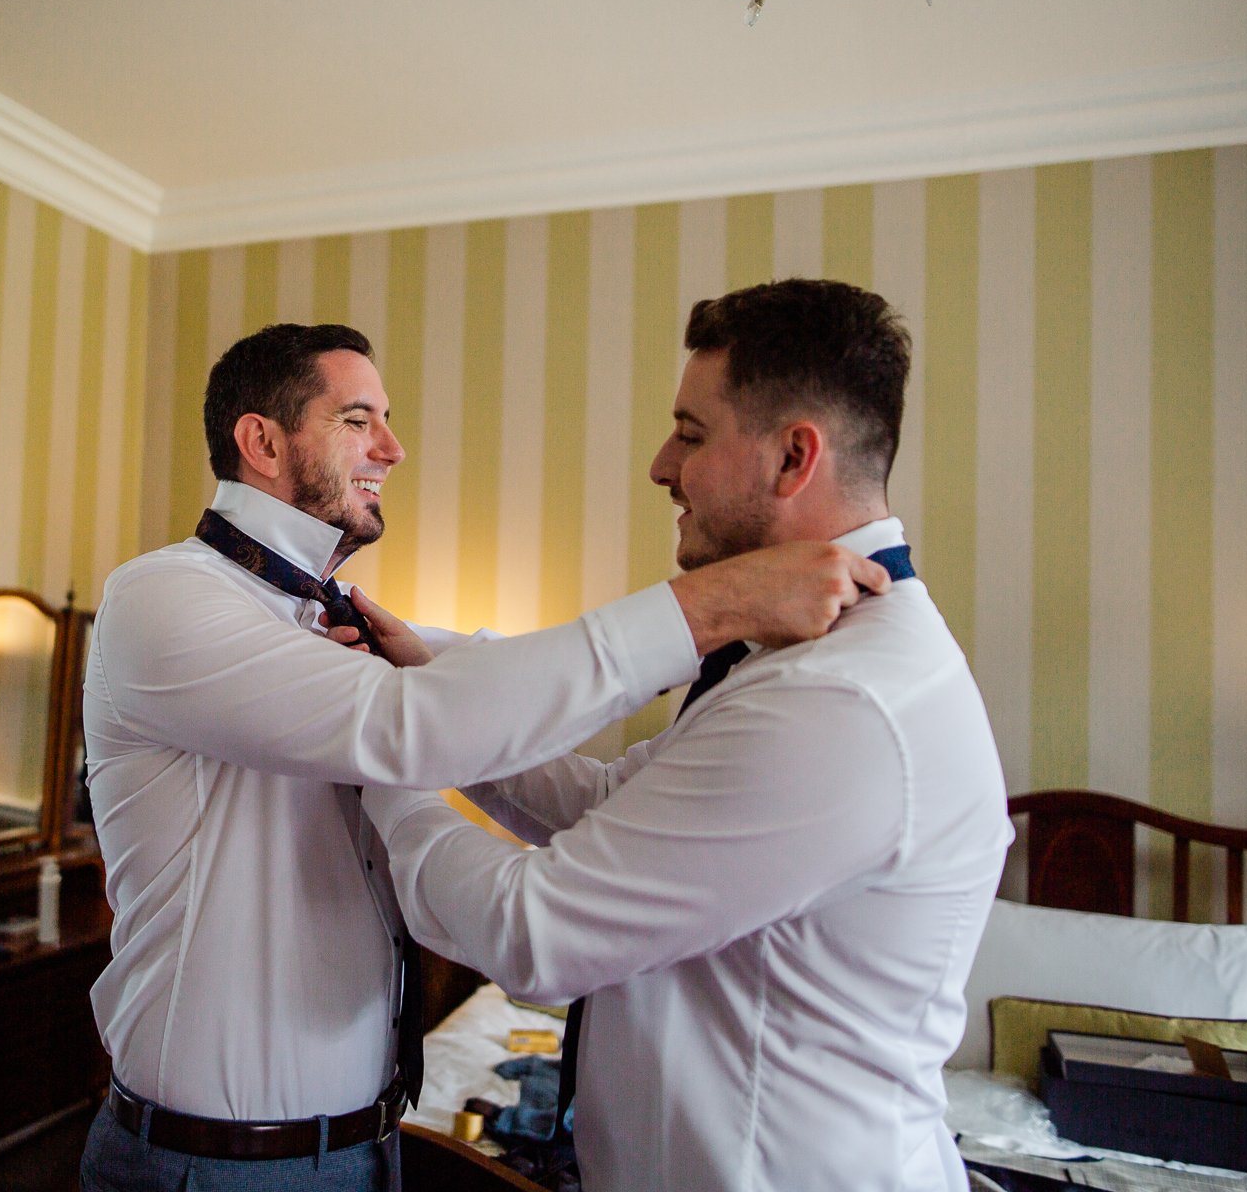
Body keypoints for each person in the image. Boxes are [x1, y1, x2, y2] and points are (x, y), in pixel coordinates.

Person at [77, 321, 892, 1192]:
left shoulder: (332, 626)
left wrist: (438, 660)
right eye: (359, 420)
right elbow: (410, 729)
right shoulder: (163, 598)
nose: (393, 447)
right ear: (262, 441)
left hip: (368, 1146)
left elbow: (463, 714)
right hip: (211, 1165)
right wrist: (701, 610)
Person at [358, 279, 1012, 1192]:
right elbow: (610, 807)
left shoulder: (841, 703)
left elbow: (536, 934)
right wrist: (431, 675)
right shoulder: (811, 655)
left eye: (691, 434)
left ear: (794, 458)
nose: (663, 465)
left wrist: (391, 764)